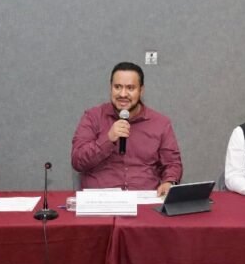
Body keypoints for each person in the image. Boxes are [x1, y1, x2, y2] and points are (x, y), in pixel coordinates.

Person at [71, 62, 182, 195]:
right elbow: (77, 161)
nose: (123, 94)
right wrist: (108, 139)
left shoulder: (160, 123)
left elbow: (172, 163)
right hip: (101, 199)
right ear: (110, 88)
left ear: (141, 90)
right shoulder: (93, 117)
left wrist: (169, 182)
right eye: (117, 87)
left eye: (130, 88)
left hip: (145, 199)